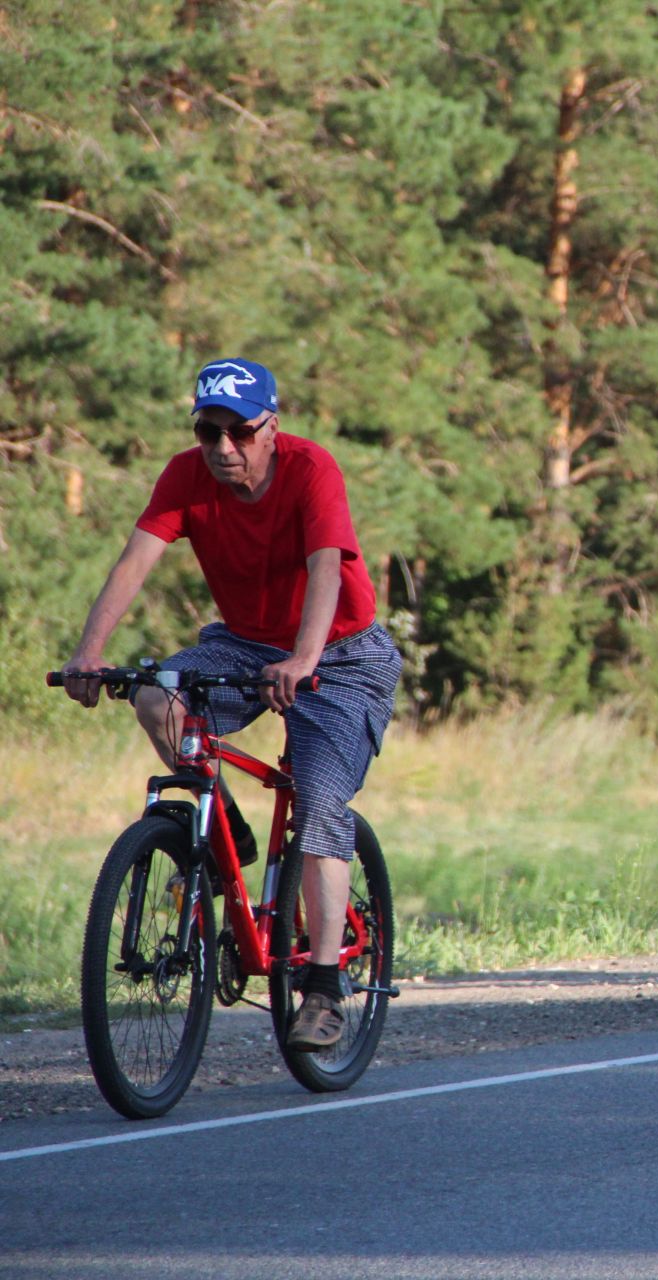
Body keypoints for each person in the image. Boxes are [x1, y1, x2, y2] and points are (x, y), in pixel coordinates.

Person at [61, 356, 403, 1052]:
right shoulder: (187, 475)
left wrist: (305, 661)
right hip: (245, 644)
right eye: (207, 431)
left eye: (238, 432)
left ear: (271, 427)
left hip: (339, 653)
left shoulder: (311, 470)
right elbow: (134, 561)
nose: (222, 448)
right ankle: (228, 840)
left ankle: (325, 986)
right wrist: (89, 652)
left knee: (318, 804)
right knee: (158, 694)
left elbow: (326, 570)